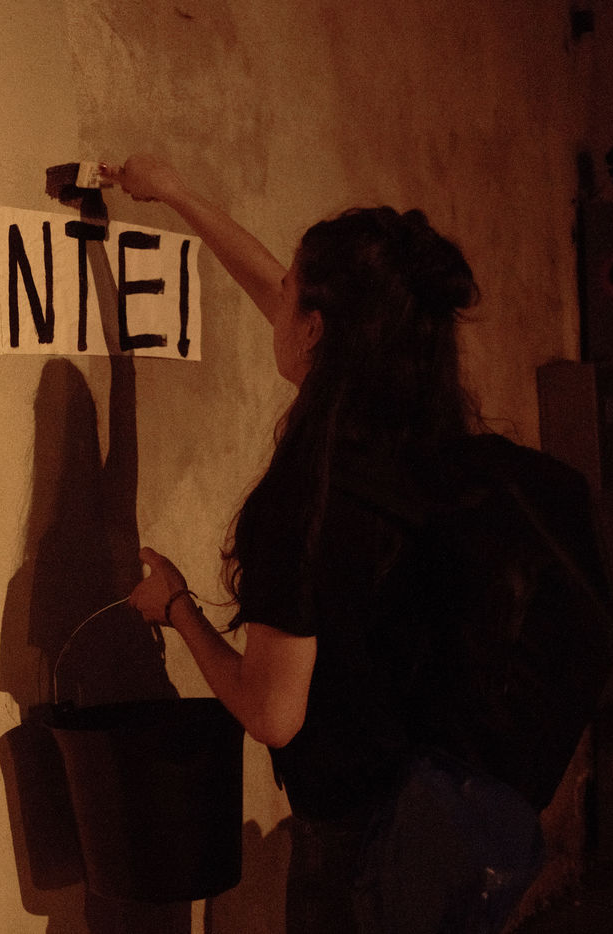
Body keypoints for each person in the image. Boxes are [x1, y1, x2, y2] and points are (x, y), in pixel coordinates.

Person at [104, 155, 508, 932]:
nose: (276, 297)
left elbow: (273, 713)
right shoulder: (426, 445)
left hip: (361, 851)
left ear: (318, 328)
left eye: (291, 290)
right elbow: (278, 291)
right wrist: (180, 194)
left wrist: (177, 607)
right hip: (449, 813)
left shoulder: (310, 498)